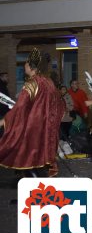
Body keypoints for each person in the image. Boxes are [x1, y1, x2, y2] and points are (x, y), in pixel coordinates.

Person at [0, 48, 62, 177]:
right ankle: (34, 193)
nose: (24, 65)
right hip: (46, 127)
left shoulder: (32, 83)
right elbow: (58, 104)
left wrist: (4, 120)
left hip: (31, 127)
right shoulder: (48, 82)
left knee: (26, 159)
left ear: (31, 66)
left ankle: (35, 193)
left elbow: (20, 107)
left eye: (26, 63)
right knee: (35, 160)